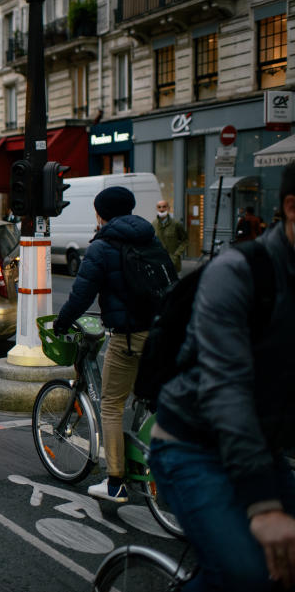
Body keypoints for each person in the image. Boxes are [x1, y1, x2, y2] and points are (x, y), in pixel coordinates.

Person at [149, 162, 295, 592]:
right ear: (291, 207)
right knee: (246, 575)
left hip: (262, 448)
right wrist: (264, 507)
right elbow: (225, 387)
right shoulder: (238, 272)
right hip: (191, 445)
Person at [53, 186, 175, 503]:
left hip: (128, 337)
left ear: (100, 213)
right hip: (162, 333)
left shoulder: (103, 246)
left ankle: (115, 483)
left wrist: (62, 322)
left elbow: (81, 295)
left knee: (111, 403)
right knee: (154, 398)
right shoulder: (150, 238)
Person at [152, 199, 189, 273]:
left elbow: (185, 240)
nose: (161, 209)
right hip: (159, 262)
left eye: (164, 207)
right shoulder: (154, 224)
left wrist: (176, 254)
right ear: (156, 209)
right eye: (159, 207)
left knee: (174, 283)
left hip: (173, 262)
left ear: (168, 208)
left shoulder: (176, 224)